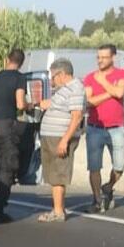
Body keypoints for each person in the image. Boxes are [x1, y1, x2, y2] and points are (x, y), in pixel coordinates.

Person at [0, 48, 27, 224]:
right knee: (7, 169)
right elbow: (20, 104)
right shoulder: (19, 78)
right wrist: (30, 105)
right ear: (21, 63)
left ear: (7, 59)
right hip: (6, 126)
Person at [83, 44, 124, 213]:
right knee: (94, 167)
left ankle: (109, 187)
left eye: (104, 57)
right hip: (95, 128)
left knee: (120, 165)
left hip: (116, 128)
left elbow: (121, 92)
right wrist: (111, 91)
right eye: (98, 57)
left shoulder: (123, 73)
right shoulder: (90, 77)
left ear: (113, 57)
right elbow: (89, 102)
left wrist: (103, 83)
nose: (100, 60)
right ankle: (96, 201)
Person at [37, 59, 84, 222]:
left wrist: (64, 140)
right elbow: (59, 105)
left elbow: (76, 117)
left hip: (59, 137)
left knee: (58, 174)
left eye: (53, 76)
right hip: (52, 136)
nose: (52, 80)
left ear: (62, 74)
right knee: (53, 174)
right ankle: (58, 208)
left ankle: (58, 212)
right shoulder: (64, 89)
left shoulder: (75, 88)